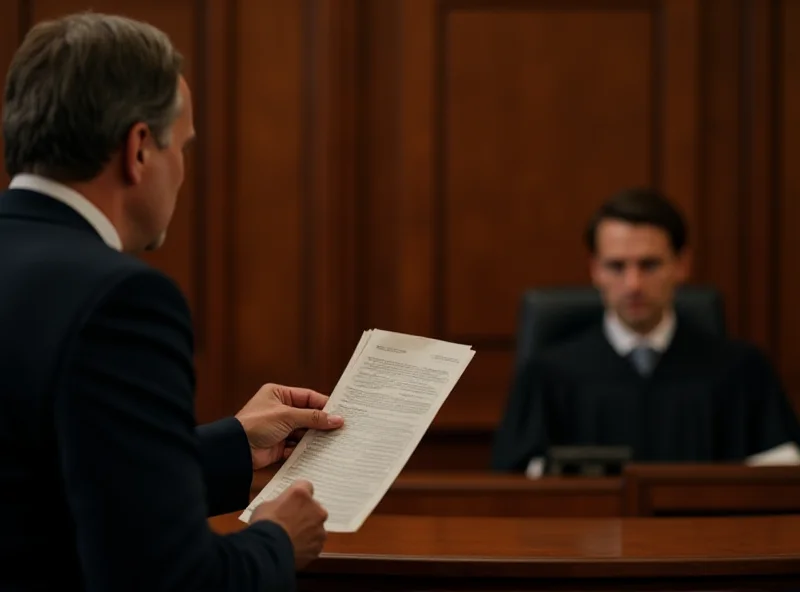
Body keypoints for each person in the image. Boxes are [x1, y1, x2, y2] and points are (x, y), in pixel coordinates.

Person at [0, 12, 344, 591]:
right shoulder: (121, 299)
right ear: (138, 149)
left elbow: (40, 481)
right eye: (181, 147)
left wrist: (234, 445)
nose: (182, 169)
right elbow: (167, 580)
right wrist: (279, 540)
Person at [491, 187, 800, 476]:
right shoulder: (547, 375)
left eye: (649, 265)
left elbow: (779, 475)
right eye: (616, 266)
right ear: (595, 269)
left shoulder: (741, 371)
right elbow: (516, 487)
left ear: (682, 264)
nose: (633, 284)